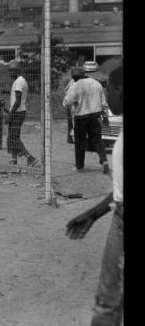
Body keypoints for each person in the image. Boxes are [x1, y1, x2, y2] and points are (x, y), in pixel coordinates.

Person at [65, 130, 123, 325]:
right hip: (119, 218)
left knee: (107, 303)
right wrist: (93, 214)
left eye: (107, 95)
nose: (105, 97)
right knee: (109, 301)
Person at [62, 67, 110, 174]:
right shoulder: (96, 84)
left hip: (81, 117)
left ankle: (79, 166)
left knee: (80, 142)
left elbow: (67, 102)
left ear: (74, 77)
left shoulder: (75, 85)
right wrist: (105, 116)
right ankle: (104, 161)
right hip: (96, 116)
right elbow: (103, 102)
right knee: (97, 141)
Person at [6, 61, 39, 167]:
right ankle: (13, 159)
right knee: (13, 136)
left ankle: (30, 157)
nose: (10, 73)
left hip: (17, 113)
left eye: (11, 71)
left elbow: (18, 100)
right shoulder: (19, 81)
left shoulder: (19, 81)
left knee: (13, 137)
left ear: (16, 71)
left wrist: (10, 114)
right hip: (17, 112)